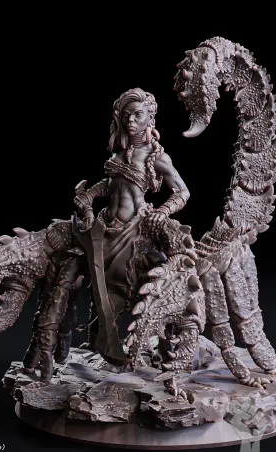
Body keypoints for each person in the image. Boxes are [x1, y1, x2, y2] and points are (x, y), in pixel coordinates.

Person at [73, 88, 190, 357]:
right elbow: (111, 185)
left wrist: (164, 210)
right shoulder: (119, 154)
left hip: (134, 231)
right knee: (98, 282)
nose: (131, 120)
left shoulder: (156, 157)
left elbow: (182, 192)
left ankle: (161, 342)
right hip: (106, 228)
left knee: (128, 285)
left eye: (137, 114)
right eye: (126, 115)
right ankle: (97, 339)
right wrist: (89, 195)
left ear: (150, 117)